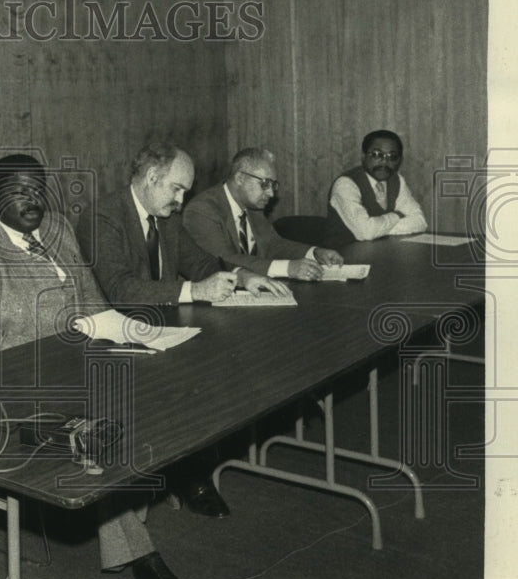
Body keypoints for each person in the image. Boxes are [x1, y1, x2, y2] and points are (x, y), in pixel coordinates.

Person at [0, 153, 185, 579]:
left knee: (153, 384)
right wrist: (66, 342)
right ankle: (141, 552)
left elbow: (92, 300)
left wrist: (129, 333)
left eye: (39, 190)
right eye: (19, 191)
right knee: (99, 425)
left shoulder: (57, 228)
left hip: (78, 368)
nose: (33, 201)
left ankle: (138, 502)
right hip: (16, 390)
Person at [75, 139, 289, 520]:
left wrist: (242, 276)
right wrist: (196, 291)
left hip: (163, 327)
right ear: (152, 177)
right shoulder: (103, 216)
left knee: (219, 364)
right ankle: (187, 477)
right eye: (176, 189)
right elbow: (121, 290)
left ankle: (188, 471)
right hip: (115, 340)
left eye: (185, 192)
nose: (180, 201)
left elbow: (200, 262)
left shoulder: (168, 216)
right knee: (193, 377)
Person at [183, 148, 344, 280]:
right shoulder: (202, 209)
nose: (271, 194)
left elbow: (273, 245)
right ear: (240, 178)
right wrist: (287, 268)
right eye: (265, 184)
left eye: (273, 185)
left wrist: (314, 253)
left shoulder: (252, 207)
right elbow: (223, 260)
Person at [322, 129, 428, 248]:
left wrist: (378, 230)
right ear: (363, 156)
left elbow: (420, 222)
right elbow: (366, 232)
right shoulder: (346, 184)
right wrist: (397, 215)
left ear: (399, 161)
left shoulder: (396, 180)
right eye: (377, 155)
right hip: (342, 259)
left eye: (392, 157)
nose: (384, 162)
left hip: (383, 253)